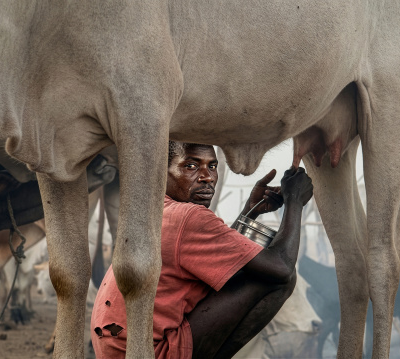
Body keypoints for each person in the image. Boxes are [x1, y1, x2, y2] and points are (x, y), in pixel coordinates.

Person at [91, 141, 313, 359]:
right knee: (279, 279)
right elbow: (282, 267)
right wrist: (294, 200)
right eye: (191, 166)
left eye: (212, 166)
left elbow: (223, 262)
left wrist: (249, 211)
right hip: (152, 352)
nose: (207, 176)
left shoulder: (157, 211)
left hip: (118, 350)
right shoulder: (188, 216)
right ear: (161, 172)